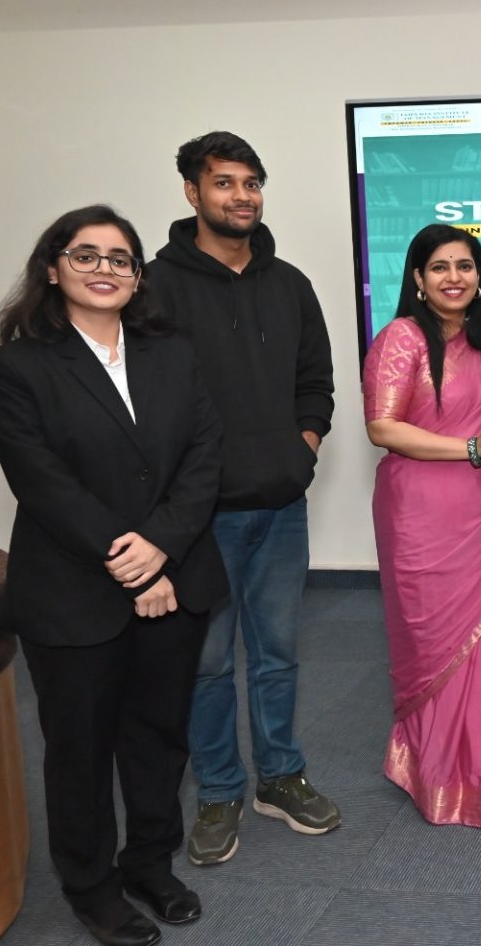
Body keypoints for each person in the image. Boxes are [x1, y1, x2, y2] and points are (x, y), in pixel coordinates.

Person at [0, 205, 227, 946]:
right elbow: (44, 484)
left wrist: (162, 547)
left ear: (138, 276)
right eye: (85, 255)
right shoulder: (18, 366)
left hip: (175, 575)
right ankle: (92, 888)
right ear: (52, 267)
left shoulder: (172, 353)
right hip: (74, 591)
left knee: (158, 739)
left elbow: (203, 458)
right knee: (80, 751)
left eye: (120, 258)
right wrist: (134, 562)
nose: (104, 269)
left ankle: (149, 864)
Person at [144, 132, 340, 865]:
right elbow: (143, 403)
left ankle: (280, 777)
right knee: (206, 665)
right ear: (192, 192)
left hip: (281, 507)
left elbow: (315, 383)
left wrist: (301, 450)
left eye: (251, 183)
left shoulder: (289, 283)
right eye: (224, 182)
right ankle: (220, 790)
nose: (241, 196)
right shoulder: (155, 288)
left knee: (278, 654)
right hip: (200, 520)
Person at [362, 224, 481, 828]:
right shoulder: (402, 337)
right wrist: (470, 444)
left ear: (480, 277)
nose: (454, 278)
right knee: (434, 647)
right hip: (422, 517)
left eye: (465, 266)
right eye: (439, 267)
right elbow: (382, 427)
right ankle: (436, 775)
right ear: (418, 278)